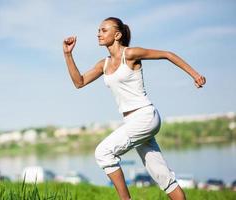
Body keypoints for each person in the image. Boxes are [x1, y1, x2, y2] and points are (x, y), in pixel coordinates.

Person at [63, 17, 206, 200]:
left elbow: (167, 54)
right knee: (163, 177)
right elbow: (79, 82)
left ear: (117, 35)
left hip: (145, 116)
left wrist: (195, 75)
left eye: (104, 30)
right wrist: (68, 54)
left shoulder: (130, 54)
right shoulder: (103, 64)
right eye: (98, 30)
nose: (99, 33)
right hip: (132, 121)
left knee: (103, 152)